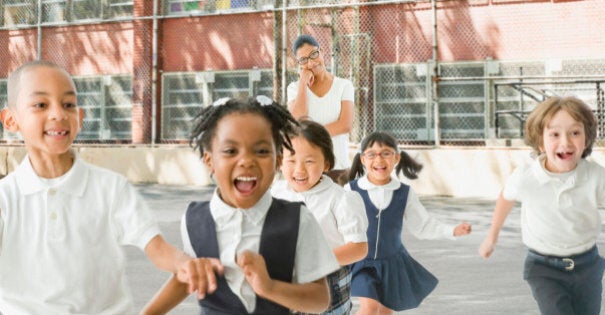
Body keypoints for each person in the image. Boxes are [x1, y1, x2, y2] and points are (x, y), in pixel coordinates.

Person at [0, 60, 219, 314]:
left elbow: (158, 249)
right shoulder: (5, 198)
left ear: (80, 118)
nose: (58, 114)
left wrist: (185, 264)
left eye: (68, 104)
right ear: (10, 120)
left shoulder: (110, 188)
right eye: (40, 105)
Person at [141, 96, 340, 315]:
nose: (246, 160)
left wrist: (270, 288)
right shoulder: (194, 219)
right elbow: (189, 277)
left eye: (262, 151)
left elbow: (320, 299)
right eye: (230, 151)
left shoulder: (299, 220)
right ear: (210, 161)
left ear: (277, 160)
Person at [478, 96, 605, 315]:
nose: (565, 142)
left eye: (575, 133)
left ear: (586, 139)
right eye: (555, 134)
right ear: (541, 142)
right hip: (543, 267)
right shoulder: (526, 176)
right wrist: (491, 237)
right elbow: (506, 197)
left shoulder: (596, 176)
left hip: (588, 265)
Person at [345, 131, 472, 315]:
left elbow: (423, 226)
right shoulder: (351, 190)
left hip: (392, 263)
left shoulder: (404, 192)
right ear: (363, 159)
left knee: (385, 311)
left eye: (386, 153)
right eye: (372, 154)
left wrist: (452, 231)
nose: (379, 160)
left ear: (396, 157)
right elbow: (338, 222)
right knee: (369, 308)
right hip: (361, 261)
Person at [271, 118, 369, 315]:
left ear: (326, 163)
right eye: (291, 160)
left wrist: (316, 260)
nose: (299, 170)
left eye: (309, 161)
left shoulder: (340, 199)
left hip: (327, 282)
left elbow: (359, 248)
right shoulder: (275, 193)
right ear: (280, 162)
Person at [287, 34, 355, 184]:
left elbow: (345, 125)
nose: (311, 62)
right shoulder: (294, 89)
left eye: (314, 54)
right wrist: (303, 84)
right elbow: (298, 119)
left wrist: (310, 136)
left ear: (321, 51)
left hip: (338, 167)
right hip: (307, 169)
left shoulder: (344, 85)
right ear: (299, 64)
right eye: (303, 60)